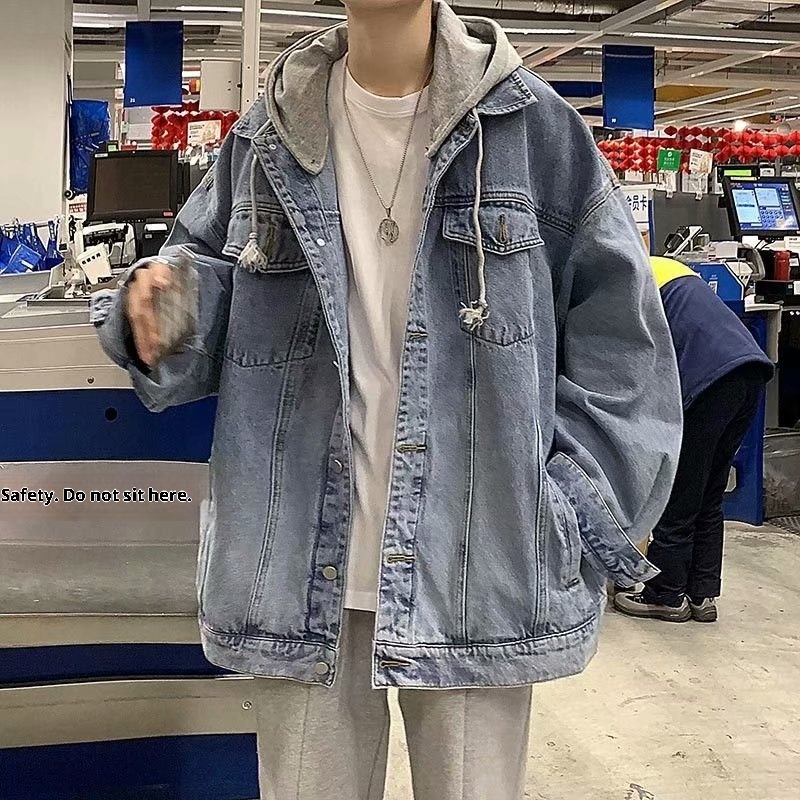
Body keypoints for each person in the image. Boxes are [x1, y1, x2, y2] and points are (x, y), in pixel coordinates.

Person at [91, 1, 682, 797]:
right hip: (297, 564)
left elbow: (627, 351)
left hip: (479, 560)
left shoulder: (534, 130)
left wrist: (567, 509)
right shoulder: (271, 134)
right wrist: (166, 307)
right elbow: (209, 284)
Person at [615, 257, 774, 625]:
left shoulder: (623, 278)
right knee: (709, 493)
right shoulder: (665, 268)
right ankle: (701, 595)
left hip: (709, 380)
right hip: (749, 370)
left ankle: (666, 595)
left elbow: (629, 365)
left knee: (680, 490)